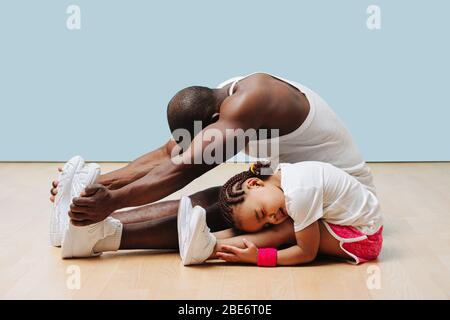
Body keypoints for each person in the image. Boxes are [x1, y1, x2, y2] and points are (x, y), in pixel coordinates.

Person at [50, 72, 376, 256]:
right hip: (286, 179)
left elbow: (183, 167)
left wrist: (113, 200)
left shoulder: (250, 104)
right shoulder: (223, 95)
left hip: (340, 199)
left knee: (228, 211)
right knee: (226, 196)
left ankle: (103, 236)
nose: (203, 143)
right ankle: (83, 227)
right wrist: (95, 188)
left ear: (215, 121)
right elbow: (170, 154)